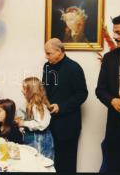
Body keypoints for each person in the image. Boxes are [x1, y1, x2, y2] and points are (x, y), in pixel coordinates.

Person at [42, 38, 88, 172]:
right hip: (48, 123)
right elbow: (45, 88)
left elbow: (82, 94)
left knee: (66, 163)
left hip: (68, 125)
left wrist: (61, 107)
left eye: (49, 53)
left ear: (60, 51)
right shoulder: (46, 66)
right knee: (49, 160)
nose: (46, 56)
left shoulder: (74, 68)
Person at [95, 13, 120, 174]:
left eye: (119, 32)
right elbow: (100, 90)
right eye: (113, 32)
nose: (114, 36)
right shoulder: (109, 57)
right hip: (114, 131)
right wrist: (112, 101)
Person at [15, 77, 54, 159]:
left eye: (24, 89)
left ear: (31, 91)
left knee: (40, 162)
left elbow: (41, 124)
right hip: (33, 139)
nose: (22, 91)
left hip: (39, 140)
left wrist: (23, 123)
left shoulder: (37, 106)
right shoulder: (31, 104)